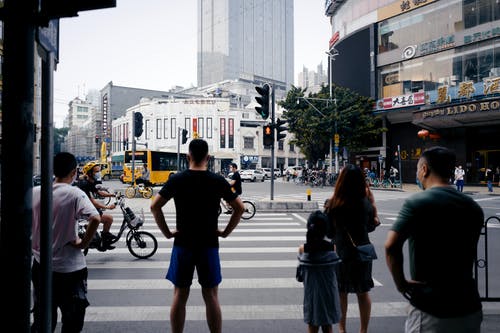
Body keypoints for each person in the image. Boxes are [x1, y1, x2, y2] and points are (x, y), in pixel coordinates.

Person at [385, 146, 484, 333]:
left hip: (430, 308)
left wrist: (401, 284)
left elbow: (391, 245)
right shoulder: (473, 208)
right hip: (469, 306)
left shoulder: (417, 203)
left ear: (424, 169)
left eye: (417, 169)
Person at [150, 139, 245, 333]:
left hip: (183, 243)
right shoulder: (218, 180)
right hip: (209, 244)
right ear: (208, 158)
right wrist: (225, 233)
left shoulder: (177, 179)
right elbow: (240, 208)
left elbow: (154, 206)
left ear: (188, 157)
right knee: (211, 294)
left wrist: (167, 233)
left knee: (180, 294)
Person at [31, 152, 101, 332]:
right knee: (72, 321)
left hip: (41, 266)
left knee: (44, 318)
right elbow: (95, 218)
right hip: (70, 269)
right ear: (74, 172)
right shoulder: (75, 193)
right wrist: (83, 244)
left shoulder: (35, 192)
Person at [324, 164, 377, 333]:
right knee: (363, 293)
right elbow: (370, 226)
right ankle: (363, 330)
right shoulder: (365, 202)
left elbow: (329, 231)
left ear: (341, 181)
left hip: (341, 253)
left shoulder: (333, 203)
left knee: (341, 293)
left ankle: (342, 329)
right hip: (362, 252)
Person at [297, 210, 341, 333]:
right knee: (327, 326)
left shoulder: (303, 249)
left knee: (312, 326)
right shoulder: (332, 248)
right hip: (329, 293)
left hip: (312, 294)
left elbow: (300, 275)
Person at [77, 162, 117, 250]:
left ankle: (104, 240)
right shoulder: (85, 184)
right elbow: (92, 202)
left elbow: (99, 193)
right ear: (90, 173)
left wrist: (112, 195)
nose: (99, 173)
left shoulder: (90, 182)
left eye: (99, 171)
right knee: (108, 218)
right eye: (96, 171)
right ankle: (94, 235)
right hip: (83, 211)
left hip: (86, 209)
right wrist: (108, 207)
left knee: (107, 218)